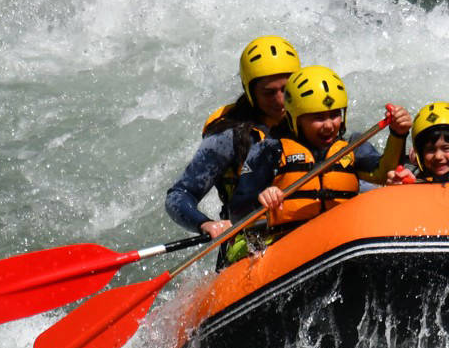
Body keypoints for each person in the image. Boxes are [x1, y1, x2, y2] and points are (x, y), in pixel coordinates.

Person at [229, 65, 412, 242]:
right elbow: (238, 209)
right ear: (296, 118)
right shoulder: (269, 150)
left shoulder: (351, 146)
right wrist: (263, 198)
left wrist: (398, 134)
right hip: (288, 243)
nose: (329, 125)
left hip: (343, 239)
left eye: (334, 115)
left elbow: (384, 172)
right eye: (318, 117)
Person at [165, 35, 301, 247]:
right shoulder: (229, 136)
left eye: (286, 89)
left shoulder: (313, 122)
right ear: (250, 93)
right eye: (269, 93)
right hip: (252, 242)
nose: (280, 100)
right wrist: (206, 224)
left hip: (305, 227)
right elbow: (179, 195)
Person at [387, 102, 449, 184]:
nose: (438, 156)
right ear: (420, 154)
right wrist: (402, 186)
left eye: (446, 148)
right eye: (430, 150)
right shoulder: (414, 180)